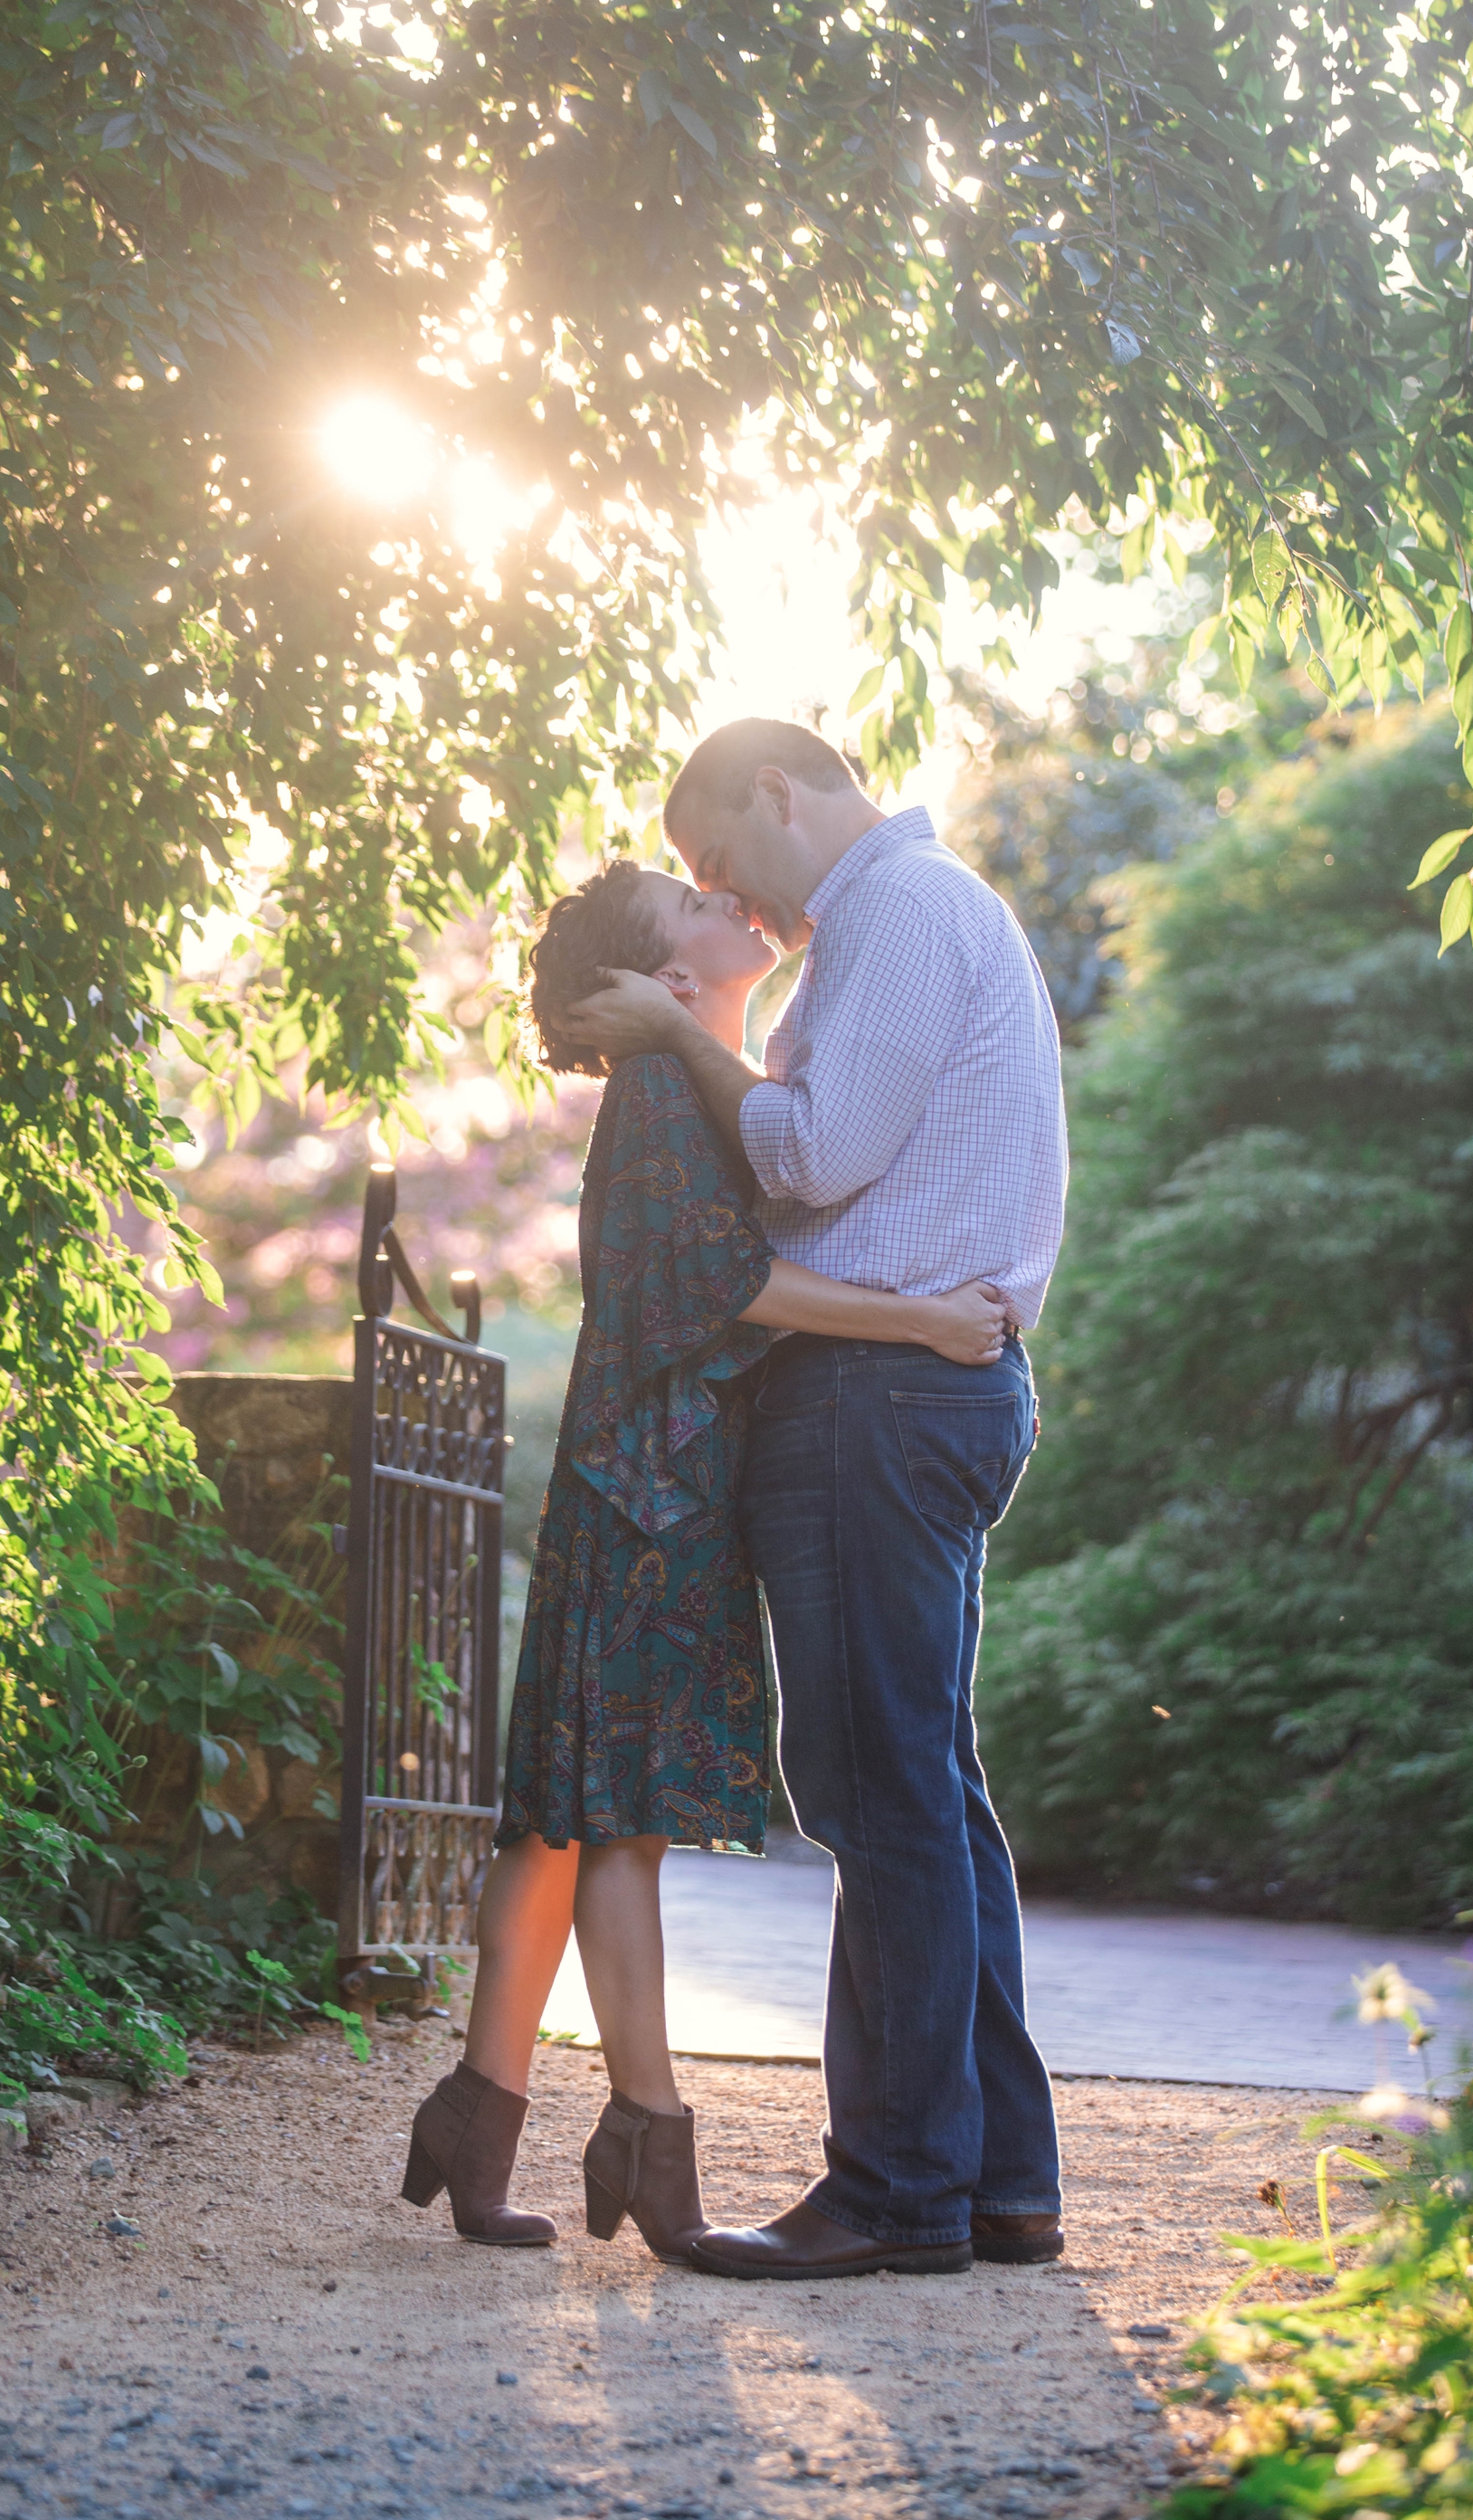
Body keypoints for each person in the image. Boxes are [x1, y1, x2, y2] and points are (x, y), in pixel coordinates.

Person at [400, 854, 1018, 2259]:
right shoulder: (671, 1092)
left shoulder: (694, 1086)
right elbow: (722, 1289)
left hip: (648, 1488)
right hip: (649, 1499)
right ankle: (644, 2134)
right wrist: (922, 1321)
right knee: (611, 1817)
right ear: (669, 980)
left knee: (570, 1809)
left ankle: (480, 2110)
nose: (730, 903)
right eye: (693, 904)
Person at [560, 718, 1069, 2281]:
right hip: (912, 1391)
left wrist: (685, 1035)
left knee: (877, 1796)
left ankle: (899, 2191)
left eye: (721, 861)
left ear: (775, 791)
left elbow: (812, 1153)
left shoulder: (901, 913)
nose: (738, 901)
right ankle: (995, 2185)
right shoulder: (900, 920)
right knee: (928, 1791)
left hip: (880, 1403)